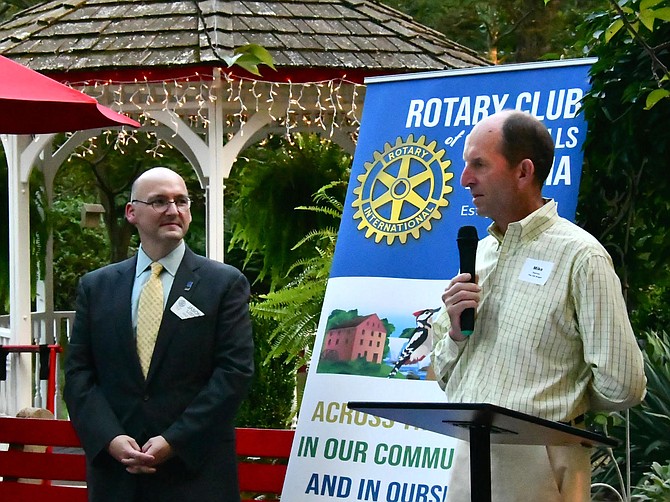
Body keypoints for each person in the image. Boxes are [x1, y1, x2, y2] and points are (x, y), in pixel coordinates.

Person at [430, 110, 646, 502]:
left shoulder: (581, 257)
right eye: (465, 166)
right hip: (470, 454)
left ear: (523, 172)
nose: (464, 179)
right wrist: (457, 336)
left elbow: (624, 383)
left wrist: (558, 410)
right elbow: (445, 376)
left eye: (478, 164)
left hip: (543, 458)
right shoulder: (479, 255)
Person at [64, 167, 254, 502]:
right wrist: (110, 438)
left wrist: (174, 441)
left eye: (181, 201)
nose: (173, 210)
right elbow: (79, 374)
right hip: (117, 477)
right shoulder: (97, 287)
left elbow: (233, 373)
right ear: (131, 212)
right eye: (159, 201)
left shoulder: (223, 284)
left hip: (195, 473)